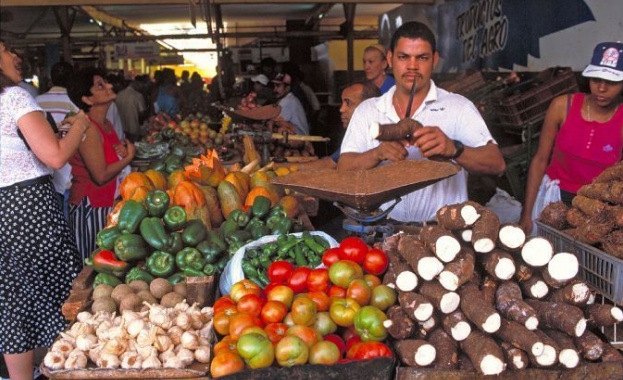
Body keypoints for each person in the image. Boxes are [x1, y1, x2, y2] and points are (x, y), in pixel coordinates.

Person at [338, 21, 505, 223]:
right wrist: (377, 154)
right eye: (403, 57)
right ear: (390, 59)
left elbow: (497, 164)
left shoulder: (458, 107)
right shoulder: (368, 110)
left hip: (444, 234)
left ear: (434, 59)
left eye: (422, 58)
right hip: (381, 229)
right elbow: (343, 170)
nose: (412, 66)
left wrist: (455, 149)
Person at [0, 39, 88, 380]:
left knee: (13, 300)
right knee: (62, 293)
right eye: (5, 49)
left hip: (5, 210)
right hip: (29, 209)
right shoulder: (15, 97)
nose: (15, 55)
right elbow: (54, 157)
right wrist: (78, 126)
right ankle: (65, 369)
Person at [519, 41, 623, 234]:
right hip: (554, 197)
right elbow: (540, 160)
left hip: (597, 209)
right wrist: (526, 213)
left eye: (612, 82)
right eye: (596, 79)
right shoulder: (562, 106)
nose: (601, 88)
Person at [67, 67, 136, 263]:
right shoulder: (88, 128)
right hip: (90, 207)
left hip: (104, 204)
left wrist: (119, 152)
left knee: (102, 260)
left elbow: (106, 157)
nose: (109, 86)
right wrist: (128, 158)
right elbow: (100, 175)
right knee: (89, 264)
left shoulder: (106, 124)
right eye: (100, 85)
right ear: (87, 99)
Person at [292, 82, 380, 171]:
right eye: (342, 103)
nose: (341, 109)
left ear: (367, 107)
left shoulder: (379, 136)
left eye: (348, 103)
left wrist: (288, 167)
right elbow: (332, 161)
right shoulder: (354, 136)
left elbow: (330, 164)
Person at [35, 61, 80, 219]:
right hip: (70, 170)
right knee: (67, 221)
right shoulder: (75, 103)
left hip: (43, 171)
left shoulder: (36, 102)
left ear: (51, 79)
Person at [115, 76, 148, 142]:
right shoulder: (138, 95)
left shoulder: (119, 94)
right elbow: (142, 113)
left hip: (121, 127)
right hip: (134, 127)